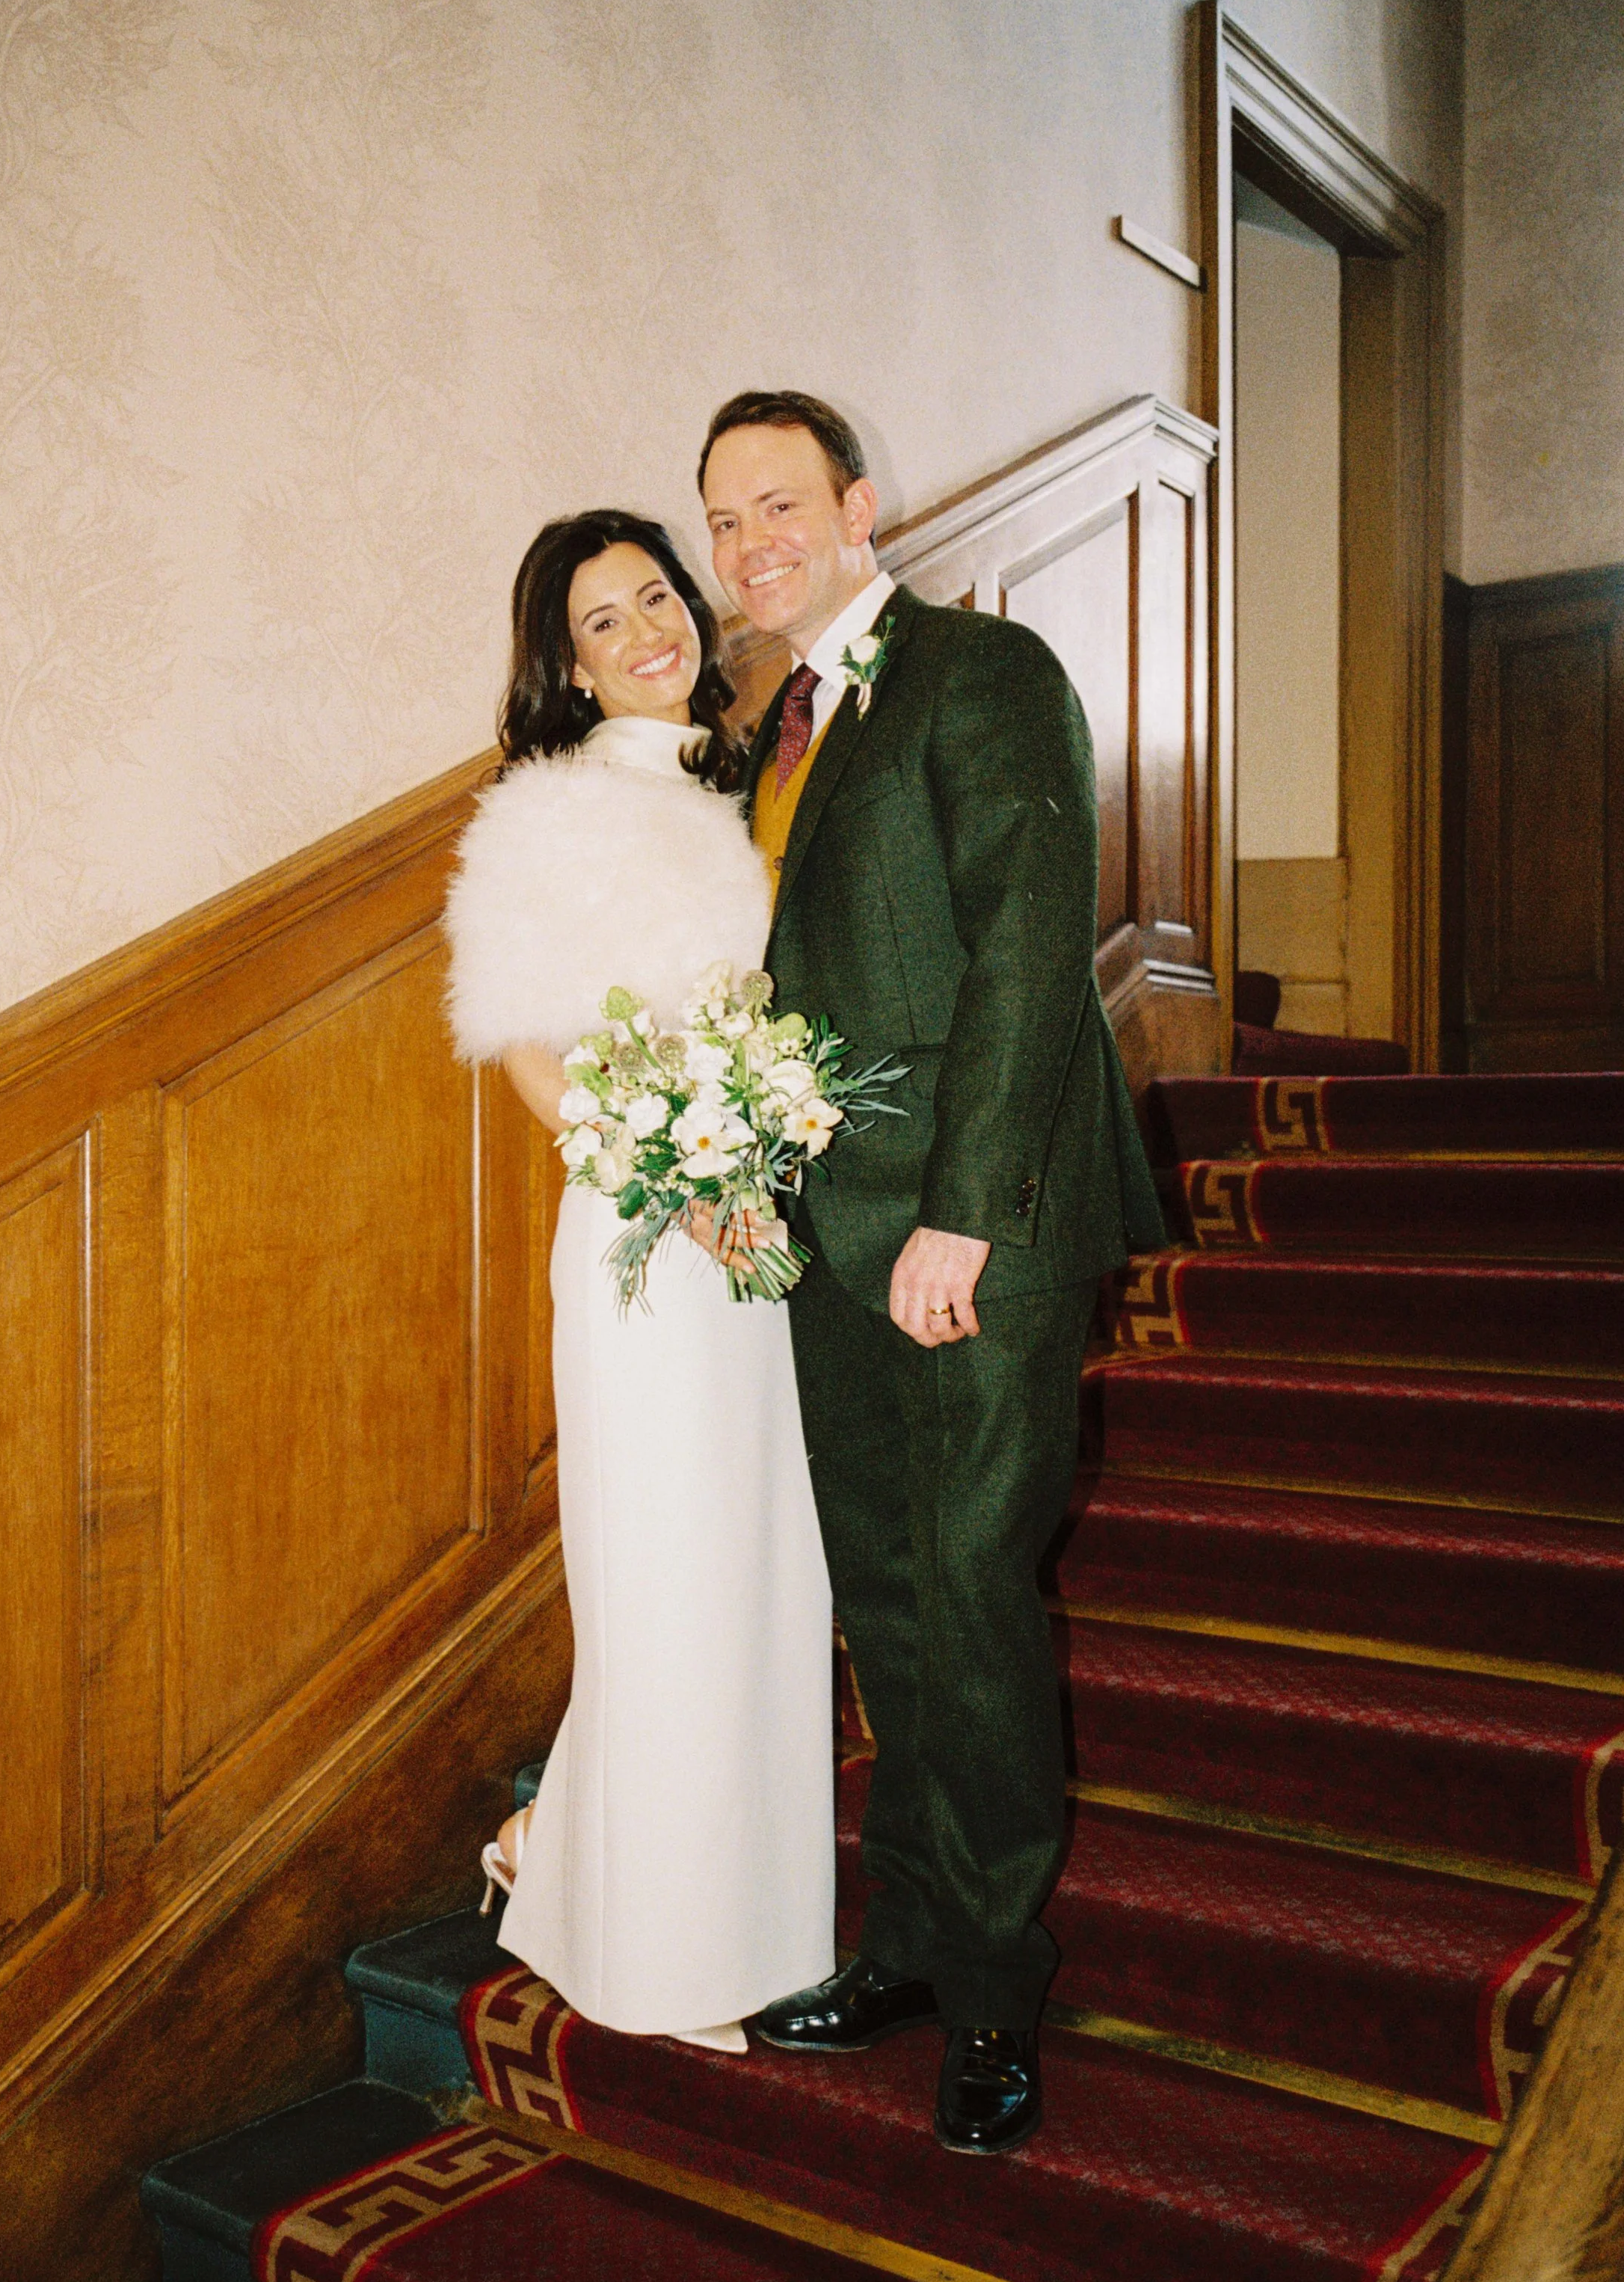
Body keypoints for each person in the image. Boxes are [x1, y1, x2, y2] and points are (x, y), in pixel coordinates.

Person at [699, 390, 1166, 2152]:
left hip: (975, 1230)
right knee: (884, 1602)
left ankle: (992, 1992)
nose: (751, 543)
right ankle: (907, 1933)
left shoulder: (981, 673)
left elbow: (1030, 949)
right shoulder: (769, 740)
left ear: (857, 502)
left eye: (777, 502)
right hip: (827, 1243)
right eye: (724, 520)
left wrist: (960, 1215)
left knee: (968, 1599)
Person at [441, 509, 835, 2053]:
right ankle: (670, 1958)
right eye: (600, 622)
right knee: (667, 1576)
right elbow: (535, 1056)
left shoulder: (739, 787)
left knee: (746, 1573)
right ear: (565, 664)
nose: (643, 631)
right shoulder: (548, 811)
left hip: (749, 1230)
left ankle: (572, 1854)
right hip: (645, 1236)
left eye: (653, 596)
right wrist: (683, 1192)